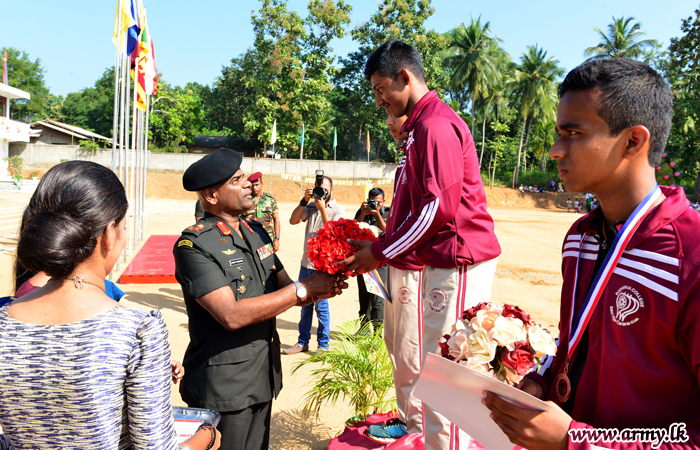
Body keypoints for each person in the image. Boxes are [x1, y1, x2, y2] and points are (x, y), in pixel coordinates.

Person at [483, 58, 700, 450]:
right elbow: (575, 342)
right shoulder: (579, 239)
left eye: (573, 133)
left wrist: (576, 441)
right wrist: (543, 380)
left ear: (633, 141)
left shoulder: (692, 257)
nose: (554, 150)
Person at [341, 39, 502, 450]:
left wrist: (379, 252)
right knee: (438, 370)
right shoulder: (418, 127)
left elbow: (438, 208)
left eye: (380, 89)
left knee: (446, 374)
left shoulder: (433, 125)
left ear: (405, 77)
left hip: (457, 258)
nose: (378, 101)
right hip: (440, 261)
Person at [0, 161, 219, 450]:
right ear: (109, 233)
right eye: (124, 226)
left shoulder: (4, 323)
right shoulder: (138, 331)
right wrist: (207, 438)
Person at [173, 148, 346, 450]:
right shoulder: (194, 245)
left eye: (246, 179)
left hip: (261, 377)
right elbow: (231, 315)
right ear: (212, 195)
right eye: (237, 180)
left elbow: (288, 290)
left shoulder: (256, 233)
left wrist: (324, 283)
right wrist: (303, 290)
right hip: (224, 386)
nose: (248, 185)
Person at [364, 113, 426, 444]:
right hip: (396, 265)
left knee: (409, 346)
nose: (387, 120)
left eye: (392, 113)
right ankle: (406, 417)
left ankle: (415, 424)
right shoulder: (408, 154)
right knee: (394, 343)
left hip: (412, 266)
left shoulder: (426, 143)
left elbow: (430, 212)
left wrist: (378, 250)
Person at [283, 174, 346, 354]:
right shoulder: (310, 206)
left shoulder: (338, 209)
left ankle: (323, 345)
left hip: (324, 267)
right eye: (319, 188)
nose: (322, 192)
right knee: (304, 303)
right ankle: (302, 342)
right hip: (306, 264)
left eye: (325, 189)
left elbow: (333, 233)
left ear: (331, 190)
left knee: (322, 307)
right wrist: (304, 201)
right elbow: (293, 221)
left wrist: (323, 209)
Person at [354, 188, 389, 331]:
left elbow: (389, 232)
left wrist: (377, 215)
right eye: (372, 201)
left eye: (378, 202)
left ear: (384, 201)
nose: (375, 204)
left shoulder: (388, 212)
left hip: (381, 263)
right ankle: (363, 331)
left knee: (378, 299)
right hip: (364, 261)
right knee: (364, 297)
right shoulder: (363, 211)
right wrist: (363, 213)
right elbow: (353, 228)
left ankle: (378, 333)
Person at [239, 172, 281, 252]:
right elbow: (238, 220)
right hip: (249, 240)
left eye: (257, 185)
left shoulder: (270, 199)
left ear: (262, 184)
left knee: (267, 263)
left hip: (267, 239)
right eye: (252, 185)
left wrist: (277, 238)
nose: (254, 188)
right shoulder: (244, 200)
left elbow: (276, 219)